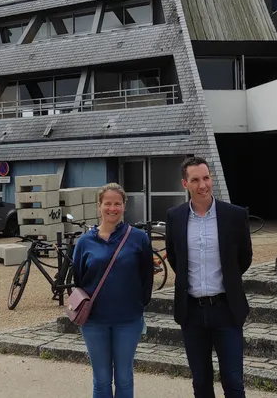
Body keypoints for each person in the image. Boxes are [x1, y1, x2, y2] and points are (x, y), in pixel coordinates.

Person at [164, 156, 253, 398]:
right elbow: (174, 257)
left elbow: (244, 258)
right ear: (185, 184)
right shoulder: (175, 216)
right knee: (201, 381)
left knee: (233, 380)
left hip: (226, 309)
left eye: (206, 178)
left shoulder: (234, 215)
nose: (202, 185)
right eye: (195, 180)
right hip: (191, 312)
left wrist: (228, 281)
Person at [72, 183, 154, 398]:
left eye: (117, 203)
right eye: (107, 203)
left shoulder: (139, 238)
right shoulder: (84, 242)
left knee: (125, 378)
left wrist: (138, 304)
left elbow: (147, 275)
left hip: (128, 319)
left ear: (124, 206)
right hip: (94, 321)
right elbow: (79, 278)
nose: (112, 208)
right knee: (101, 379)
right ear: (99, 205)